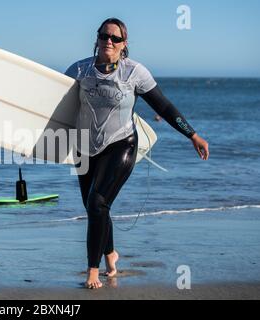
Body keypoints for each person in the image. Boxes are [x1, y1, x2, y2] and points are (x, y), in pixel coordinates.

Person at [65, 18, 209, 289]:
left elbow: (164, 107)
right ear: (96, 39)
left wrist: (193, 135)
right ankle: (110, 256)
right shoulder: (79, 70)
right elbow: (53, 106)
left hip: (121, 144)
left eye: (115, 38)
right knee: (95, 207)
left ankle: (93, 271)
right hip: (84, 147)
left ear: (123, 45)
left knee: (97, 203)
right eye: (104, 36)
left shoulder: (134, 73)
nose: (109, 41)